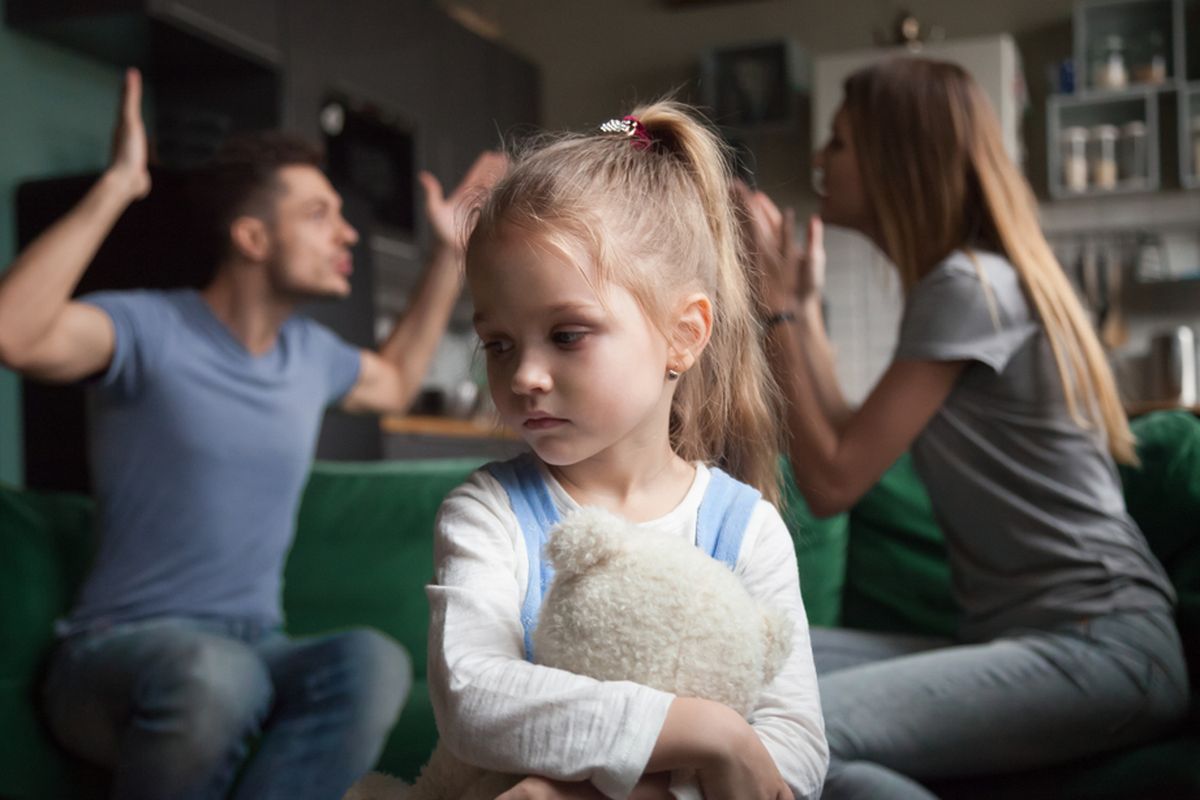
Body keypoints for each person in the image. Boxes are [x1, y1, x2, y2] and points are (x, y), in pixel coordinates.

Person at [0, 68, 505, 799]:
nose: (347, 233)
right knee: (216, 675)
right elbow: (14, 333)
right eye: (319, 215)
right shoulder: (151, 328)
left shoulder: (309, 357)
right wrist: (117, 187)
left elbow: (394, 380)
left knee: (372, 662)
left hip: (254, 648)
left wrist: (447, 257)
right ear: (251, 236)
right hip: (112, 657)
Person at [742, 56, 1189, 798]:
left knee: (789, 737)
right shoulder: (965, 283)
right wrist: (805, 308)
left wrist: (777, 309)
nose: (820, 159)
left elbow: (831, 480)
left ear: (897, 161)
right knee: (748, 659)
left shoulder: (966, 286)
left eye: (841, 143)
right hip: (1028, 642)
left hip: (1102, 648)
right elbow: (853, 432)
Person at [423, 101, 828, 800]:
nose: (523, 376)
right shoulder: (488, 513)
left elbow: (793, 752)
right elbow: (472, 695)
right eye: (498, 344)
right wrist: (710, 734)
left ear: (684, 334)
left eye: (568, 334)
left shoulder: (746, 530)